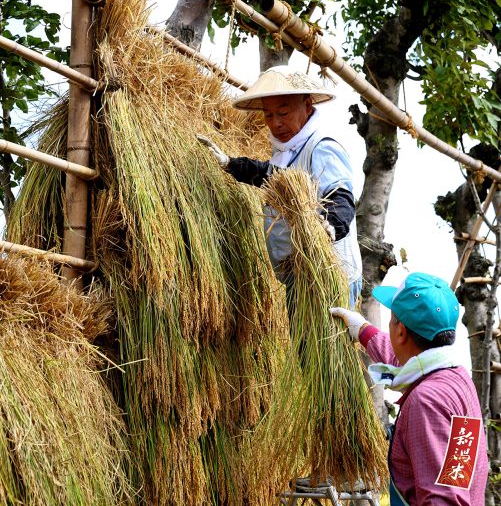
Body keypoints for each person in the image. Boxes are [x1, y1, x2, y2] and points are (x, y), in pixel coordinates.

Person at [198, 65, 363, 308]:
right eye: (268, 115)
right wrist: (231, 164)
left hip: (329, 277)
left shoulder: (322, 147)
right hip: (299, 277)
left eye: (283, 113)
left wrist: (332, 225)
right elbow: (270, 175)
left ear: (307, 106)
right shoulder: (286, 150)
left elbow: (340, 195)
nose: (275, 123)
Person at [331, 272, 488, 505]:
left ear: (401, 332)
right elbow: (454, 476)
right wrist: (363, 329)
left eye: (392, 319)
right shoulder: (456, 379)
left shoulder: (427, 401)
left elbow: (442, 500)